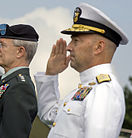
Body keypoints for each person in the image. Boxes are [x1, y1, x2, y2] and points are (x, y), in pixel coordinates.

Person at [34, 3, 128, 138]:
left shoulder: (104, 89)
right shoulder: (86, 88)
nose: (68, 47)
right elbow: (48, 115)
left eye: (76, 41)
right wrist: (51, 75)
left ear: (98, 47)